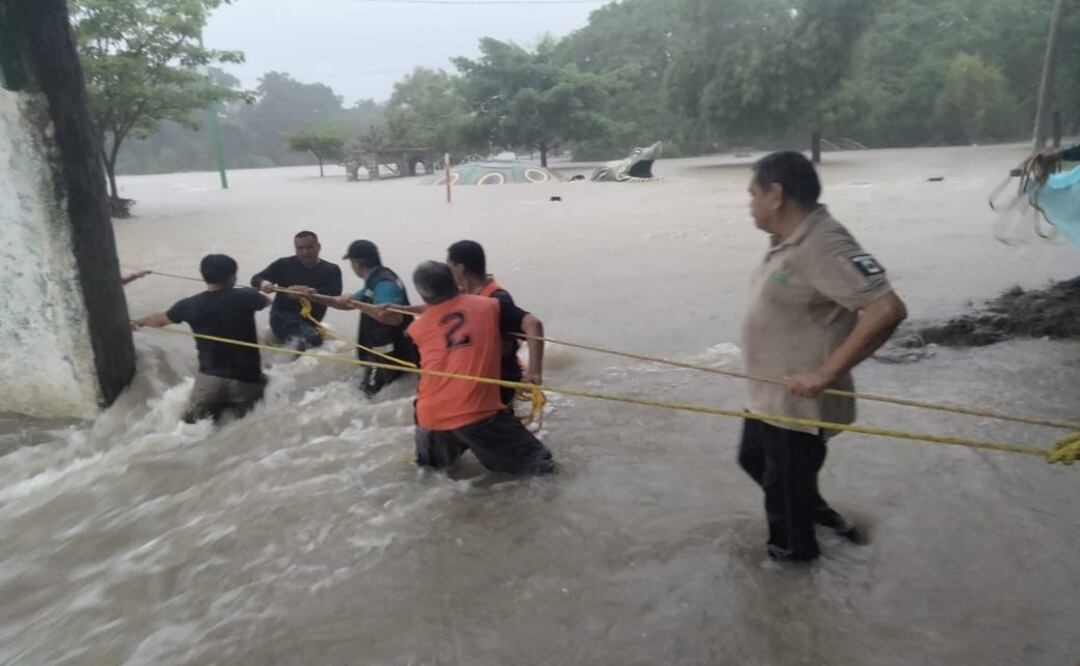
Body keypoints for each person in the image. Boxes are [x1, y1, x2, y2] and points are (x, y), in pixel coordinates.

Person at [739, 151, 907, 562]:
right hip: (767, 396)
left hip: (798, 405)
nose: (749, 205)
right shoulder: (789, 238)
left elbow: (887, 310)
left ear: (776, 195)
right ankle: (817, 514)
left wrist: (826, 372)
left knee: (786, 516)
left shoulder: (825, 244)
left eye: (753, 195)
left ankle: (793, 589)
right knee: (753, 459)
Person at [408, 261, 554, 475]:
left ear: (423, 297)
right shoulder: (489, 306)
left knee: (431, 477)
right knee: (542, 470)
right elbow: (534, 324)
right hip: (477, 413)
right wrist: (534, 372)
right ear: (454, 282)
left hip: (428, 417)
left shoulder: (416, 329)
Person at [133, 254, 271, 424]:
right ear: (233, 276)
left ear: (204, 276)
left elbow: (159, 320)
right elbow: (266, 301)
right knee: (245, 425)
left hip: (208, 382)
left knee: (190, 428)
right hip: (247, 380)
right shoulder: (247, 296)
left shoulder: (189, 305)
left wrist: (137, 323)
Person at [446, 240, 544, 406]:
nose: (447, 272)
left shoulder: (497, 299)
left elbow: (533, 325)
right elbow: (437, 309)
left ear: (460, 269)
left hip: (500, 380)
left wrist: (534, 371)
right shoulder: (465, 294)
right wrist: (402, 309)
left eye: (449, 267)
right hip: (479, 379)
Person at [330, 240, 417, 397]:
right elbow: (346, 305)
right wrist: (311, 296)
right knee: (367, 393)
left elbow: (394, 318)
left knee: (369, 396)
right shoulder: (375, 280)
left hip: (390, 354)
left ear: (356, 264)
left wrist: (358, 305)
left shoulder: (384, 284)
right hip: (383, 352)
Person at [251, 231, 342, 351]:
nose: (305, 252)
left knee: (314, 341)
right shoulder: (283, 264)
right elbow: (256, 279)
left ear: (318, 247)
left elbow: (335, 294)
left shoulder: (332, 270)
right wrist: (265, 283)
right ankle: (285, 368)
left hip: (311, 320)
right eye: (300, 248)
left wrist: (311, 292)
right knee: (308, 341)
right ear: (295, 249)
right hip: (282, 315)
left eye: (309, 247)